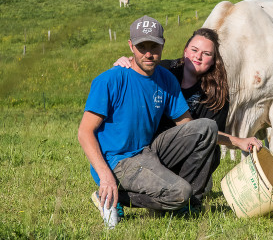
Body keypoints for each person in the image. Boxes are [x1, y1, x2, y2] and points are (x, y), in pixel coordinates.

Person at [78, 16, 259, 227]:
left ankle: (186, 203)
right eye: (141, 46)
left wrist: (236, 141)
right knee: (181, 192)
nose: (148, 53)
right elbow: (84, 132)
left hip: (148, 152)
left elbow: (188, 126)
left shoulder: (166, 79)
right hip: (118, 161)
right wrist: (105, 176)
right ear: (131, 46)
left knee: (206, 126)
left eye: (154, 46)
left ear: (162, 44)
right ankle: (114, 196)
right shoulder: (110, 80)